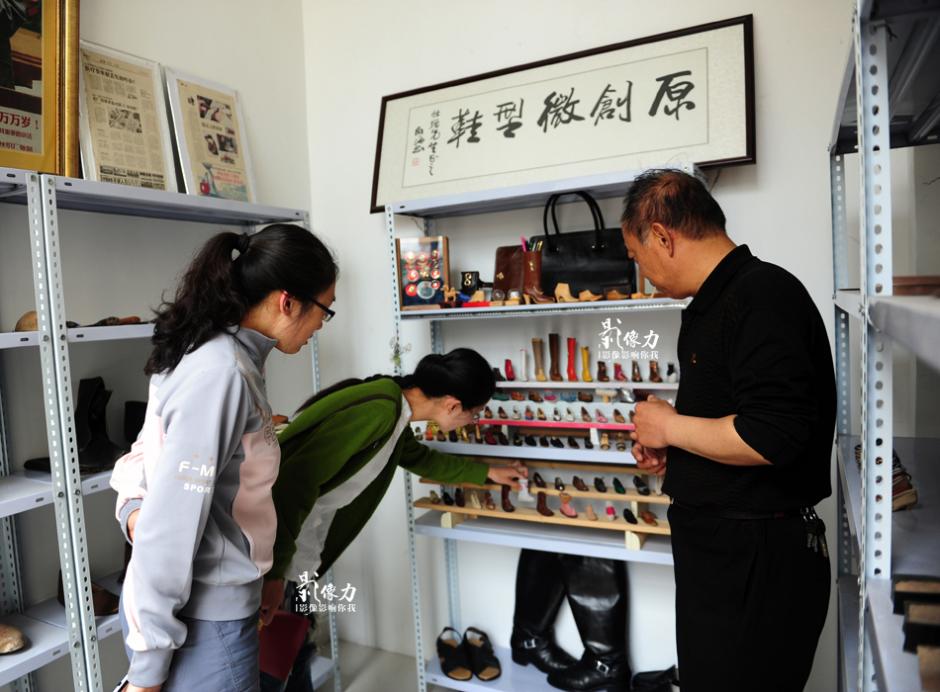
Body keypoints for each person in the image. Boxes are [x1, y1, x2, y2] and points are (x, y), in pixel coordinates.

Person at [621, 169, 835, 692]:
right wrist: (676, 451)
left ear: (662, 237)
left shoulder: (762, 296)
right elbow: (738, 420)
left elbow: (771, 434)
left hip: (754, 558)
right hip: (724, 553)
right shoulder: (713, 303)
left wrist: (670, 426)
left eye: (637, 256)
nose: (642, 272)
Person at [109, 223, 338, 692]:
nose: (321, 325)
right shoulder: (222, 372)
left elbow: (152, 456)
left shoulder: (228, 357)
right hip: (205, 623)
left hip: (212, 611)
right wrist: (148, 670)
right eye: (324, 310)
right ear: (287, 301)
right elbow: (171, 529)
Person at [259, 348, 527, 619]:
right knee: (277, 638)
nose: (472, 422)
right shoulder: (381, 412)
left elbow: (422, 460)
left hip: (295, 539)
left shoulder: (395, 410)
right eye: (475, 414)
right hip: (276, 541)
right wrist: (274, 573)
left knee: (293, 632)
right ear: (453, 405)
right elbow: (295, 485)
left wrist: (489, 472)